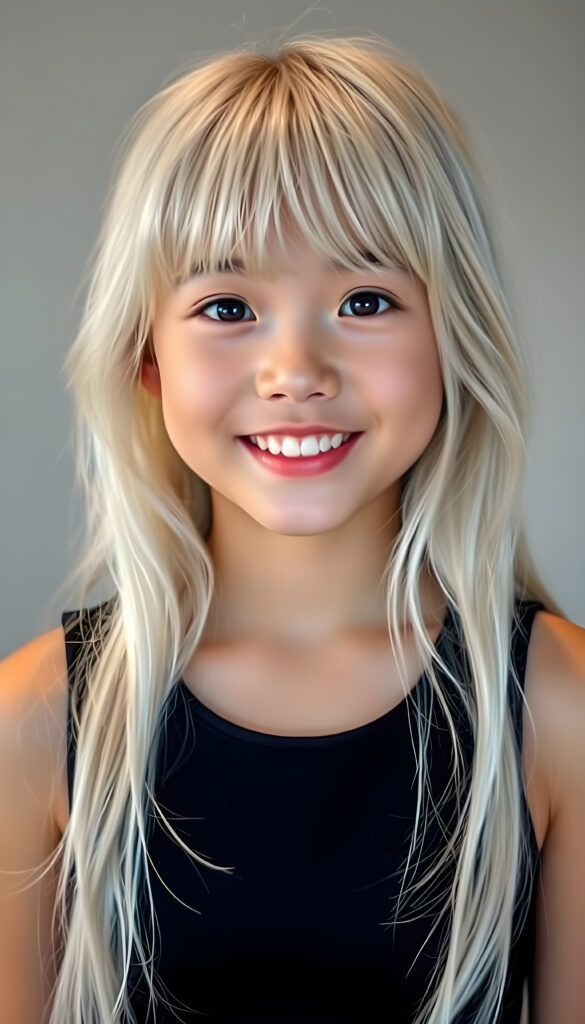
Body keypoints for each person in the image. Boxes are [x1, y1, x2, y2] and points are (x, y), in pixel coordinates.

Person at [0, 33, 583, 1024]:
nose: (295, 368)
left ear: (452, 334)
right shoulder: (34, 720)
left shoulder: (559, 712)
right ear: (147, 355)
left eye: (366, 299)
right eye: (228, 305)